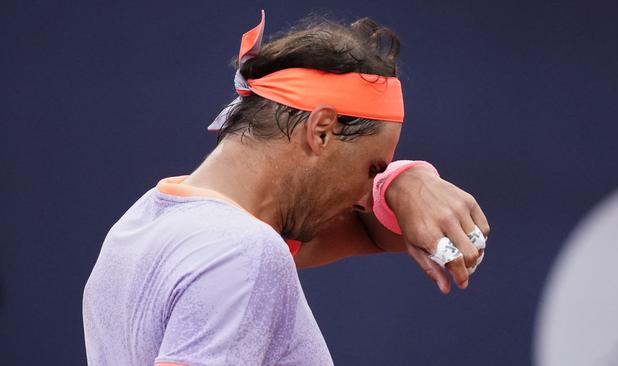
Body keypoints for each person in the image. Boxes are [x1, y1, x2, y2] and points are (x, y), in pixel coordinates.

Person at [83, 11, 490, 366]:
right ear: (322, 131)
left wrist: (404, 182)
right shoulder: (244, 250)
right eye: (371, 169)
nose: (367, 196)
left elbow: (371, 230)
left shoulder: (136, 227)